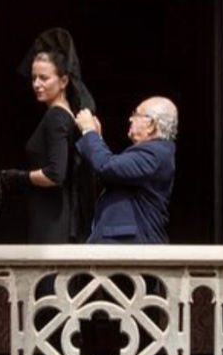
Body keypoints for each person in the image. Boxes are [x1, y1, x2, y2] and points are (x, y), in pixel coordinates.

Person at [0, 28, 95, 243]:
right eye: (34, 78)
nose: (37, 84)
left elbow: (55, 174)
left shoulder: (57, 118)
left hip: (51, 221)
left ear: (64, 81)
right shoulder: (66, 115)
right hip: (56, 216)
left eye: (44, 78)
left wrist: (19, 177)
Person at [74, 96, 177, 244]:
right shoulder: (150, 152)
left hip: (133, 248)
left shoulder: (155, 153)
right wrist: (97, 139)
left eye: (136, 114)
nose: (130, 119)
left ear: (151, 125)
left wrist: (89, 131)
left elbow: (106, 166)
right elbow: (114, 172)